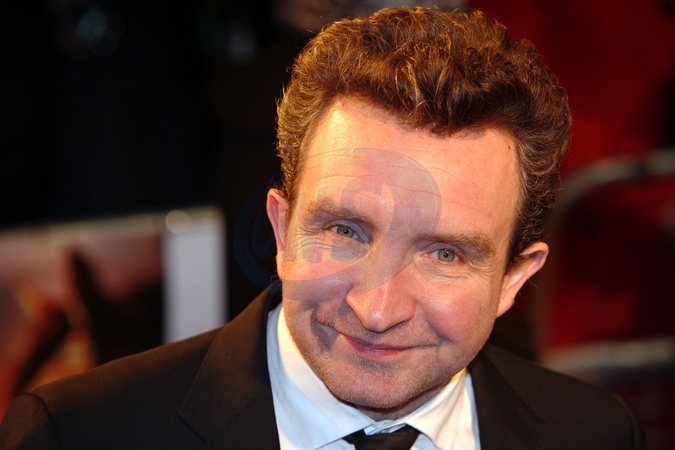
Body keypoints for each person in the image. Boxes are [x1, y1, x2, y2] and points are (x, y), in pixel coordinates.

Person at [0, 6, 643, 449]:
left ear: (514, 279)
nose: (377, 310)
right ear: (281, 231)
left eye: (445, 254)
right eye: (346, 231)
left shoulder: (594, 434)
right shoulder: (79, 435)